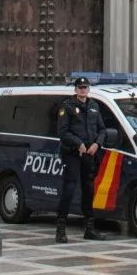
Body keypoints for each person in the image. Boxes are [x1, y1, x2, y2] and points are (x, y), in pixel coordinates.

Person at [53, 77, 107, 243]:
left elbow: (102, 130)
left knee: (88, 189)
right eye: (80, 87)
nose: (83, 90)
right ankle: (61, 229)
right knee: (69, 189)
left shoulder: (94, 106)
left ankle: (89, 228)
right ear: (75, 89)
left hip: (89, 154)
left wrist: (97, 144)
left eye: (85, 87)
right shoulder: (67, 106)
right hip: (72, 154)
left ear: (88, 89)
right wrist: (79, 144)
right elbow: (63, 132)